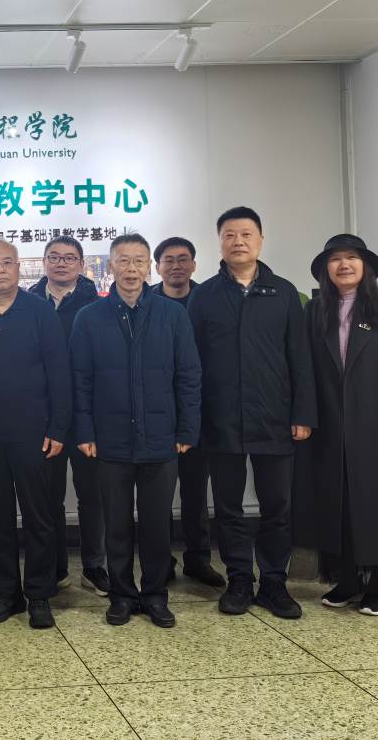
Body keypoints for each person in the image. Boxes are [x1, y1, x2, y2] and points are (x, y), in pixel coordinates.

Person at [188, 207, 316, 619]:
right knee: (228, 508)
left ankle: (274, 582)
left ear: (260, 240)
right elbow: (190, 363)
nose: (238, 241)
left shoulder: (284, 292)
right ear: (219, 243)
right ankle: (239, 579)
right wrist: (193, 419)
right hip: (220, 419)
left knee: (278, 506)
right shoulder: (204, 296)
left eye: (246, 234)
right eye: (229, 235)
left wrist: (303, 414)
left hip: (274, 418)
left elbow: (300, 359)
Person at [295, 234, 378, 616]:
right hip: (330, 425)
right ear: (325, 269)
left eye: (351, 258)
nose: (343, 265)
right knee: (338, 503)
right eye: (335, 259)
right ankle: (349, 579)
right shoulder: (315, 311)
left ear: (365, 266)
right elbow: (303, 368)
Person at [72, 234, 202, 628]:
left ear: (150, 267)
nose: (131, 269)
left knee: (157, 523)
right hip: (109, 439)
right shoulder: (89, 317)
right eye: (123, 261)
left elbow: (189, 375)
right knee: (116, 523)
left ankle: (155, 594)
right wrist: (85, 431)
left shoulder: (171, 315)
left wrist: (187, 429)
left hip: (161, 436)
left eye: (139, 261)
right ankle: (122, 595)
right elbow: (81, 381)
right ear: (110, 266)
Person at [0, 239, 71, 629]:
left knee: (39, 516)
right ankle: (7, 593)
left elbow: (60, 374)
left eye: (7, 262)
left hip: (33, 434)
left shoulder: (40, 313)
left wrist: (58, 427)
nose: (0, 269)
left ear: (19, 268)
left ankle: (39, 594)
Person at [26, 235, 109, 597]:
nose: (61, 263)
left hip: (88, 416)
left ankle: (94, 567)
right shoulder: (28, 303)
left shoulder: (97, 305)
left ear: (81, 264)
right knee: (49, 498)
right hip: (43, 419)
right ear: (44, 262)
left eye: (69, 258)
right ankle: (55, 567)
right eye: (54, 257)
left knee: (93, 496)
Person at [152, 236, 224, 589]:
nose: (176, 266)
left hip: (198, 411)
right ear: (158, 267)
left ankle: (198, 559)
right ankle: (161, 561)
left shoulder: (208, 301)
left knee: (195, 491)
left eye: (183, 259)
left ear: (194, 265)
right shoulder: (146, 303)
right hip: (157, 413)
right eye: (169, 260)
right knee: (157, 495)